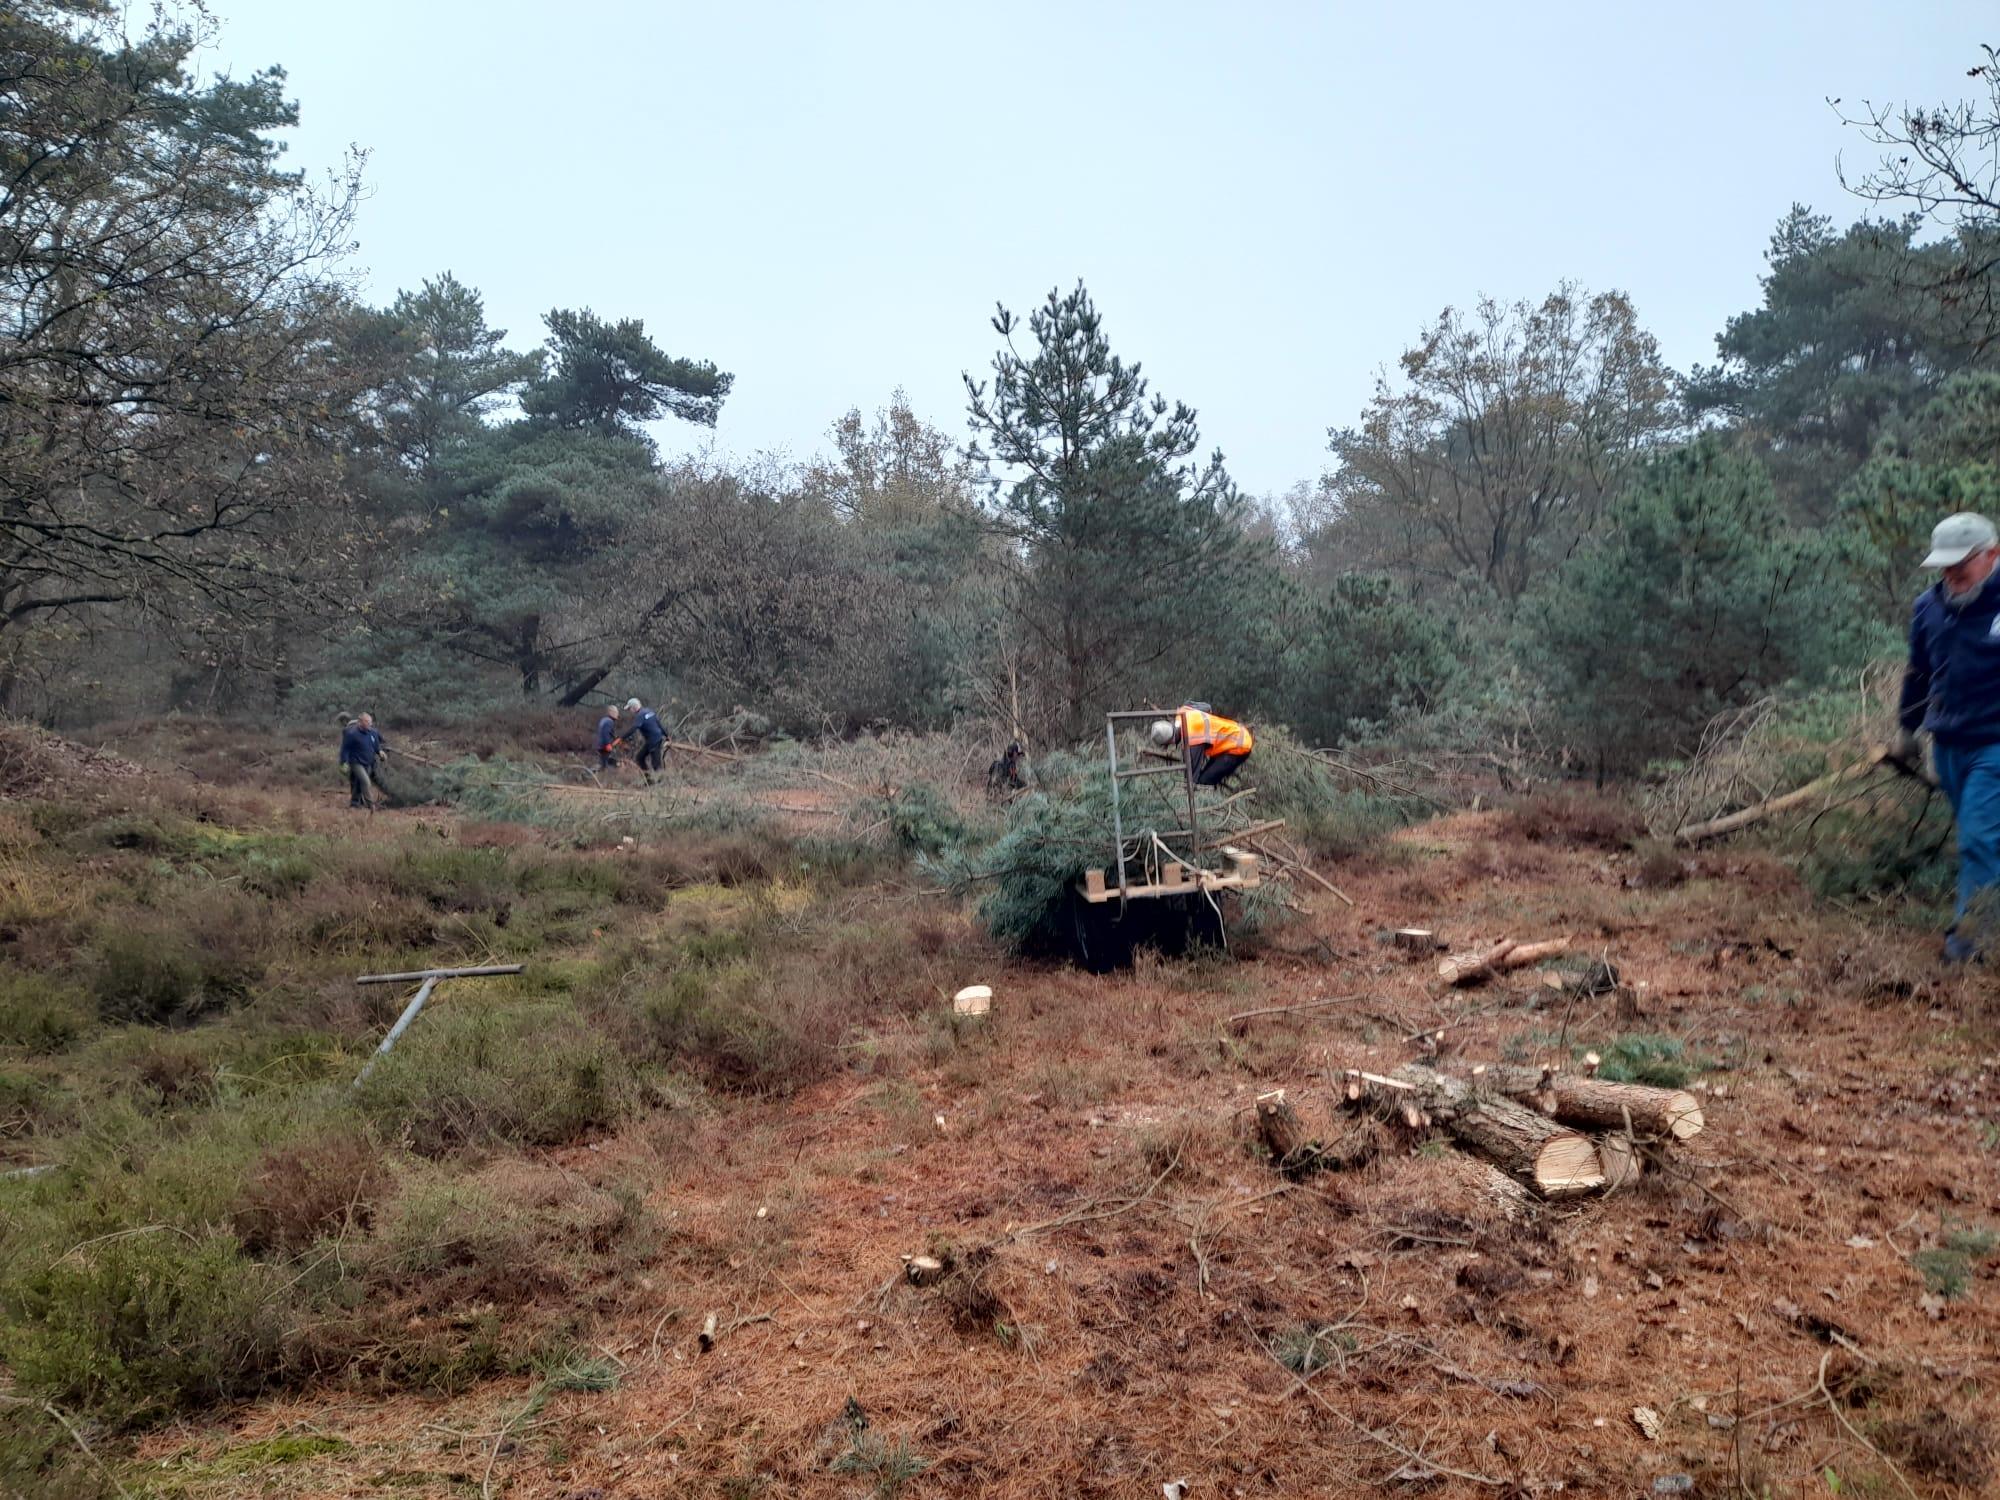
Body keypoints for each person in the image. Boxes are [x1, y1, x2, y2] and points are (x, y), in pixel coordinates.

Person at [1897, 511, 2000, 962]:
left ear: (1992, 554)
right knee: (1983, 838)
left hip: (1995, 744)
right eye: (1945, 565)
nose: (1951, 573)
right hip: (1950, 744)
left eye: (1962, 563)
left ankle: (1971, 944)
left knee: (1979, 839)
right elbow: (1919, 672)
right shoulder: (1929, 608)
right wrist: (1906, 729)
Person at [1150, 702, 1254, 788]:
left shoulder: (1193, 739)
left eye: (1167, 745)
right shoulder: (1184, 711)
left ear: (1170, 741)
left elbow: (1191, 776)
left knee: (1204, 783)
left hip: (1239, 745)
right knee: (1207, 774)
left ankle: (1205, 802)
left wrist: (1186, 787)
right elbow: (1207, 707)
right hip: (1236, 733)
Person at [338, 712, 389, 811]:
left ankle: (354, 804)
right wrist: (344, 763)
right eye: (367, 722)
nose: (370, 724)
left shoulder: (373, 732)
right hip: (356, 762)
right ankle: (371, 805)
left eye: (370, 722)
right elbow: (345, 749)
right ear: (360, 722)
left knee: (359, 783)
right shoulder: (351, 734)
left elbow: (376, 746)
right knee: (366, 781)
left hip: (368, 762)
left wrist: (380, 752)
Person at [620, 696, 667, 784]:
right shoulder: (649, 711)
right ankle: (649, 780)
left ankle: (661, 783)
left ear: (634, 707)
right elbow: (659, 724)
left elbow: (634, 728)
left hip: (653, 740)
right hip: (655, 738)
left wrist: (622, 737)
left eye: (630, 708)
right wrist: (666, 735)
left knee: (655, 763)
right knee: (640, 757)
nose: (630, 711)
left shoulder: (640, 715)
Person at [596, 703, 624, 771]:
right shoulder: (609, 721)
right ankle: (593, 773)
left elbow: (609, 733)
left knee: (603, 762)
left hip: (600, 745)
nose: (617, 714)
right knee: (605, 764)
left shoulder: (604, 719)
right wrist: (608, 744)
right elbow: (605, 733)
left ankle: (598, 772)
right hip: (605, 746)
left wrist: (616, 738)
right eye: (616, 712)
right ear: (611, 712)